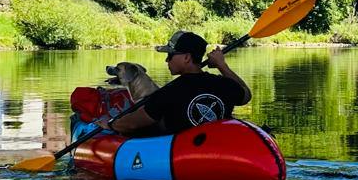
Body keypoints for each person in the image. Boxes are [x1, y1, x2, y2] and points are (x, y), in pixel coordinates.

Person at [98, 30, 251, 137]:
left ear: (186, 57)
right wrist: (221, 65)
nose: (167, 60)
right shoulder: (223, 84)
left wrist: (111, 124)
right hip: (218, 150)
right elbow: (245, 95)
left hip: (180, 157)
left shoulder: (170, 91)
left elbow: (132, 124)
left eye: (170, 55)